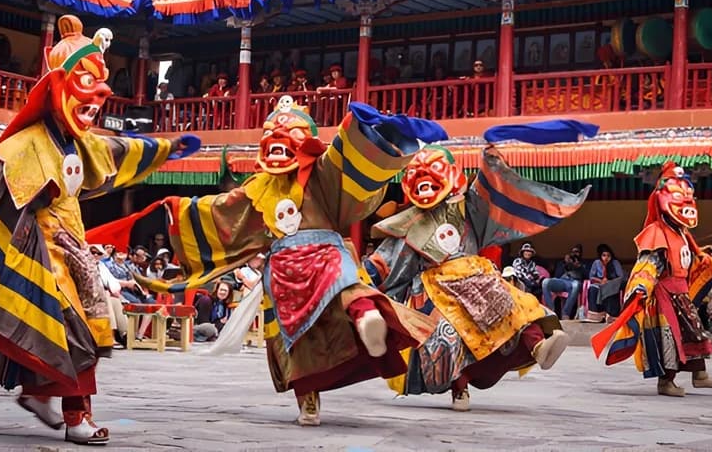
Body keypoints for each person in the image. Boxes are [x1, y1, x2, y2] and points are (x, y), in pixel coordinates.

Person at [0, 15, 201, 448]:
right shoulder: (27, 144)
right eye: (85, 80)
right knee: (78, 329)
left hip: (72, 244)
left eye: (101, 84)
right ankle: (75, 416)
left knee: (74, 327)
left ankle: (39, 393)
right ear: (57, 86)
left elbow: (121, 150)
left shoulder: (80, 143)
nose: (101, 95)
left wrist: (165, 148)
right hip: (38, 251)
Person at [86, 96, 450, 426]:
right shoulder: (256, 189)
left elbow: (344, 158)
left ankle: (363, 322)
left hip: (315, 254)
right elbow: (220, 212)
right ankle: (312, 392)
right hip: (290, 264)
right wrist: (177, 209)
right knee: (306, 328)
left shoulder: (320, 173)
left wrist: (367, 129)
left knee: (345, 286)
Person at [365, 143, 588, 410]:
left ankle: (538, 346)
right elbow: (388, 260)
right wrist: (362, 276)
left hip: (477, 277)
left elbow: (488, 193)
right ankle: (459, 390)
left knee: (514, 306)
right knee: (448, 334)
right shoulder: (410, 223)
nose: (425, 183)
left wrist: (492, 162)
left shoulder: (467, 207)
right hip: (434, 285)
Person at [593, 162, 712, 398]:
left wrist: (707, 257)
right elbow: (649, 263)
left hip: (681, 292)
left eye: (688, 195)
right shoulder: (656, 231)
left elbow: (688, 258)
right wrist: (642, 285)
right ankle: (666, 382)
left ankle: (699, 374)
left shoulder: (682, 233)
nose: (685, 200)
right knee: (670, 339)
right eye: (677, 195)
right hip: (664, 294)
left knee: (694, 331)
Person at [542, 245, 587, 319]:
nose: (575, 254)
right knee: (545, 282)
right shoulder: (563, 262)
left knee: (575, 285)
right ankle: (551, 312)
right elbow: (557, 275)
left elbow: (587, 276)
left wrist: (579, 266)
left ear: (581, 253)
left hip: (574, 282)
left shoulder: (584, 263)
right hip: (563, 281)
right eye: (573, 252)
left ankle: (565, 313)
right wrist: (565, 264)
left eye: (577, 252)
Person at [585, 244, 624, 321]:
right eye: (604, 255)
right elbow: (591, 276)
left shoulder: (615, 263)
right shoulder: (596, 263)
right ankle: (595, 314)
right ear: (600, 256)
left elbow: (621, 276)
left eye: (608, 256)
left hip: (612, 282)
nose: (606, 258)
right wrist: (600, 281)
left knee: (609, 288)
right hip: (599, 283)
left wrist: (609, 281)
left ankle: (610, 314)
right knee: (593, 288)